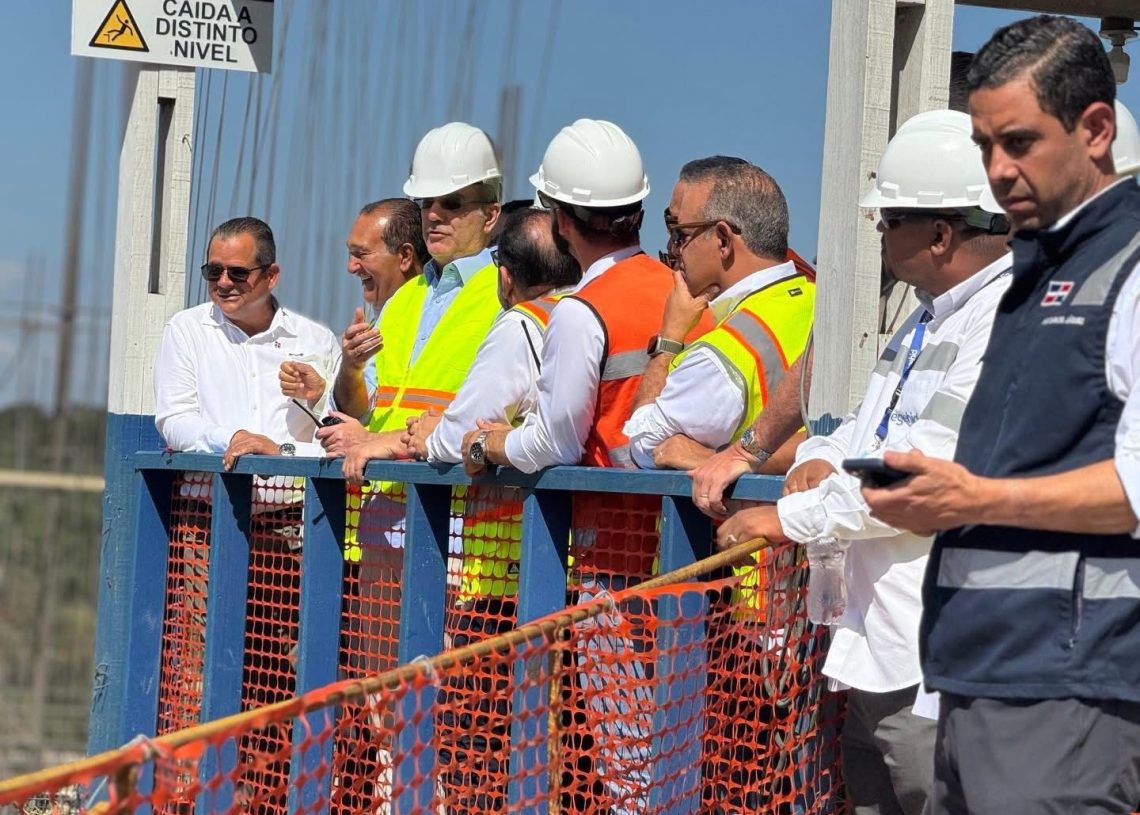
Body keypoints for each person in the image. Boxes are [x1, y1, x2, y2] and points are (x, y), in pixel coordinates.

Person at [857, 16, 1140, 814]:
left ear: (1095, 129)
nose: (998, 170)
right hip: (979, 671)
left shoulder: (1127, 267)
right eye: (986, 146)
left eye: (1019, 141)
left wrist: (974, 499)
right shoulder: (1036, 271)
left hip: (1065, 683)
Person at [716, 110, 1012, 815]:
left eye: (890, 221)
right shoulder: (927, 313)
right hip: (880, 647)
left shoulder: (1005, 320)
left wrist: (785, 516)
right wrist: (817, 457)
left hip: (942, 662)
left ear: (940, 232)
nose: (878, 233)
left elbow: (921, 477)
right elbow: (862, 427)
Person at [460, 118, 712, 815]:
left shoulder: (582, 310)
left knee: (629, 755)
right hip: (691, 548)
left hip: (613, 556)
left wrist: (490, 445)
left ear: (561, 219)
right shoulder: (681, 288)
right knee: (685, 745)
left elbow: (556, 442)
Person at [153, 216, 341, 803]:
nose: (224, 283)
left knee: (282, 669)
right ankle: (212, 792)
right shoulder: (187, 330)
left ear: (272, 274)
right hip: (210, 528)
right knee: (206, 670)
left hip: (292, 532)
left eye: (239, 272)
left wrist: (311, 407)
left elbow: (336, 436)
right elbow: (173, 418)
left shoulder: (315, 341)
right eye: (214, 271)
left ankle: (268, 790)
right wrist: (233, 440)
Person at [401, 205, 580, 815]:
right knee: (562, 757)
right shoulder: (583, 317)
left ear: (505, 274)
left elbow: (458, 436)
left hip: (499, 572)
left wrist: (428, 434)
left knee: (477, 749)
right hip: (576, 571)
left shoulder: (521, 325)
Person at [624, 156, 814, 472]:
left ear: (724, 240)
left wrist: (669, 339)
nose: (674, 250)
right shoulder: (822, 301)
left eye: (680, 234)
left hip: (743, 518)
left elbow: (645, 447)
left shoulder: (719, 355)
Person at [334, 198, 429, 403]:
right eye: (351, 254)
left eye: (362, 254)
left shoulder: (430, 324)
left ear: (405, 256)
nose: (351, 267)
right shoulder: (371, 327)